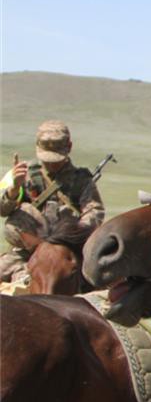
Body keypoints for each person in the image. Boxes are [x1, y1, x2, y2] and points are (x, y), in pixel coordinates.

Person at [0, 120, 105, 284]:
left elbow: (95, 215)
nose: (51, 164)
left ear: (69, 147)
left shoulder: (82, 181)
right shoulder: (22, 173)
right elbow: (2, 211)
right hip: (27, 248)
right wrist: (14, 190)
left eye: (56, 159)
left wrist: (68, 237)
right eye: (47, 159)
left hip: (64, 249)